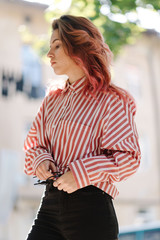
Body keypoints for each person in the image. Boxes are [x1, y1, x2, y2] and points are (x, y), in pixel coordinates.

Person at [23, 15, 141, 240]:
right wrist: (40, 160)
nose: (49, 54)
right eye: (50, 47)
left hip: (91, 210)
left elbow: (129, 159)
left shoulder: (112, 100)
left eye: (57, 46)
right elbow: (33, 144)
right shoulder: (52, 100)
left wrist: (81, 173)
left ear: (78, 47)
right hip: (49, 205)